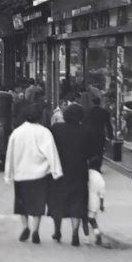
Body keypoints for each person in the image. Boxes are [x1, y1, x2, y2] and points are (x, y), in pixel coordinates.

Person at [4, 102, 63, 244]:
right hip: (39, 174)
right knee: (37, 204)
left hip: (20, 173)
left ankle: (25, 226)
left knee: (22, 203)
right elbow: (51, 153)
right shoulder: (44, 132)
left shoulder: (16, 133)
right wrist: (56, 171)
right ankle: (36, 230)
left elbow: (10, 155)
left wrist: (8, 174)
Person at [49, 103, 91, 246]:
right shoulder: (85, 131)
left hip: (60, 169)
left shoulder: (56, 129)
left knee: (57, 200)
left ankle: (57, 230)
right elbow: (89, 153)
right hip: (79, 171)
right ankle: (75, 232)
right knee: (77, 202)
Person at [85, 95, 115, 168]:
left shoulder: (88, 112)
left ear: (92, 103)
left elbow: (84, 123)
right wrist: (111, 136)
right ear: (100, 103)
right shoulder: (104, 112)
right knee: (99, 150)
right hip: (100, 134)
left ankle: (92, 165)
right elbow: (108, 125)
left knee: (91, 149)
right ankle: (98, 166)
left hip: (90, 134)